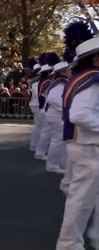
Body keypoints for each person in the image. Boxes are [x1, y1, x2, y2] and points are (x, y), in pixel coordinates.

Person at [56, 21, 99, 250]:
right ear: (95, 58)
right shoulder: (92, 80)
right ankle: (69, 244)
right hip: (86, 146)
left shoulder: (81, 78)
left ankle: (95, 234)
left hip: (86, 145)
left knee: (91, 197)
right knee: (81, 199)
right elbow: (79, 115)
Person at [44, 61, 70, 174]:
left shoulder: (61, 82)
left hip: (57, 114)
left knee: (61, 141)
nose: (71, 70)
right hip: (56, 115)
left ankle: (59, 163)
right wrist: (67, 108)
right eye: (69, 69)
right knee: (57, 140)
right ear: (63, 71)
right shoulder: (60, 84)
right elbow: (52, 99)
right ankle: (52, 165)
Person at [29, 61, 42, 152]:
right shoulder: (37, 81)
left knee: (38, 125)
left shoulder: (34, 81)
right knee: (42, 126)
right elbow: (38, 94)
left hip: (35, 104)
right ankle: (37, 146)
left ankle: (34, 145)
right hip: (37, 104)